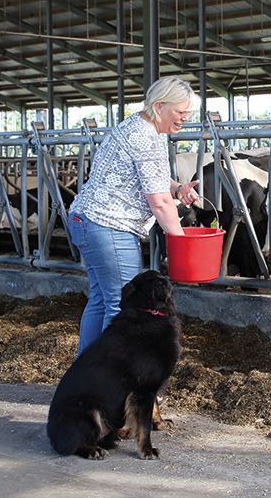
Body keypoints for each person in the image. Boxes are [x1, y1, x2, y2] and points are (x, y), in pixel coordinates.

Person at [67, 76, 201, 356]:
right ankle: (112, 381)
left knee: (103, 301)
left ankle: (85, 376)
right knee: (122, 306)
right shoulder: (145, 137)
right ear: (160, 106)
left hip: (87, 221)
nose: (185, 118)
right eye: (180, 112)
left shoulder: (141, 128)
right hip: (108, 227)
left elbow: (155, 182)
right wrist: (181, 245)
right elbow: (159, 203)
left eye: (188, 112)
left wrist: (178, 189)